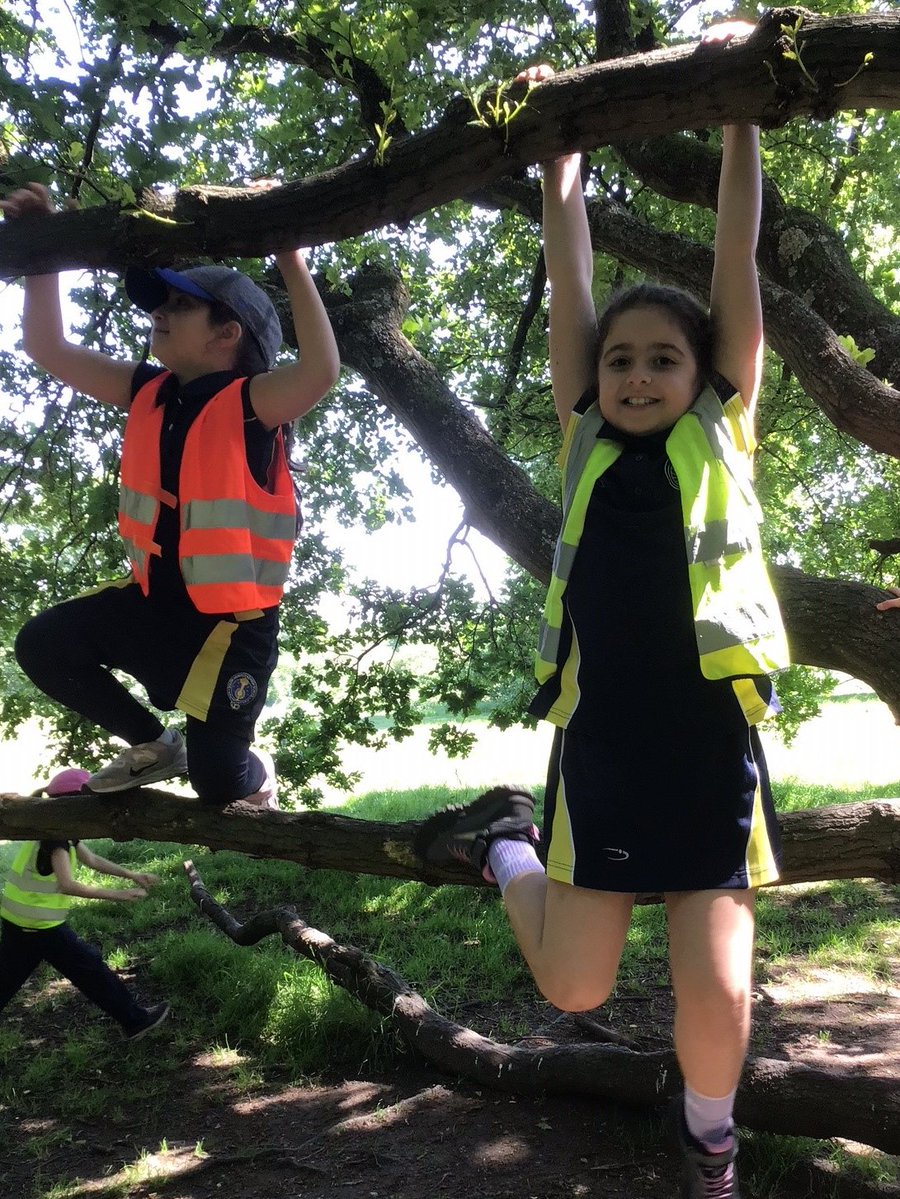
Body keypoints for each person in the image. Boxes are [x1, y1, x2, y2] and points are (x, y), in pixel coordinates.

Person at [416, 30, 786, 1199]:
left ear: (702, 373)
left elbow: (736, 259)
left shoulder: (719, 428)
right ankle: (507, 841)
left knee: (717, 991)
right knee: (575, 990)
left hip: (710, 738)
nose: (634, 373)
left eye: (661, 359)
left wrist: (739, 121)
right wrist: (555, 158)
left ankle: (710, 1135)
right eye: (620, 358)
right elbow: (571, 276)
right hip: (607, 748)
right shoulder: (582, 431)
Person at [0, 183, 340, 807]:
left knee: (217, 787)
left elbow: (321, 371)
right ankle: (156, 744)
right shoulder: (147, 390)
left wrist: (290, 253)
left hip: (232, 629)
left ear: (227, 333)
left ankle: (252, 777)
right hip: (152, 606)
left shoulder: (253, 402)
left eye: (181, 304)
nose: (159, 311)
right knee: (42, 644)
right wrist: (40, 249)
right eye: (160, 301)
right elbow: (46, 349)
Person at [0, 767, 170, 1038]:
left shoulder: (56, 828)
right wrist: (119, 895)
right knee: (90, 969)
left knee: (6, 979)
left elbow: (92, 860)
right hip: (39, 926)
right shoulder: (55, 841)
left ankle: (134, 1019)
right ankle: (136, 1021)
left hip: (20, 922)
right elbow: (68, 884)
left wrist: (132, 875)